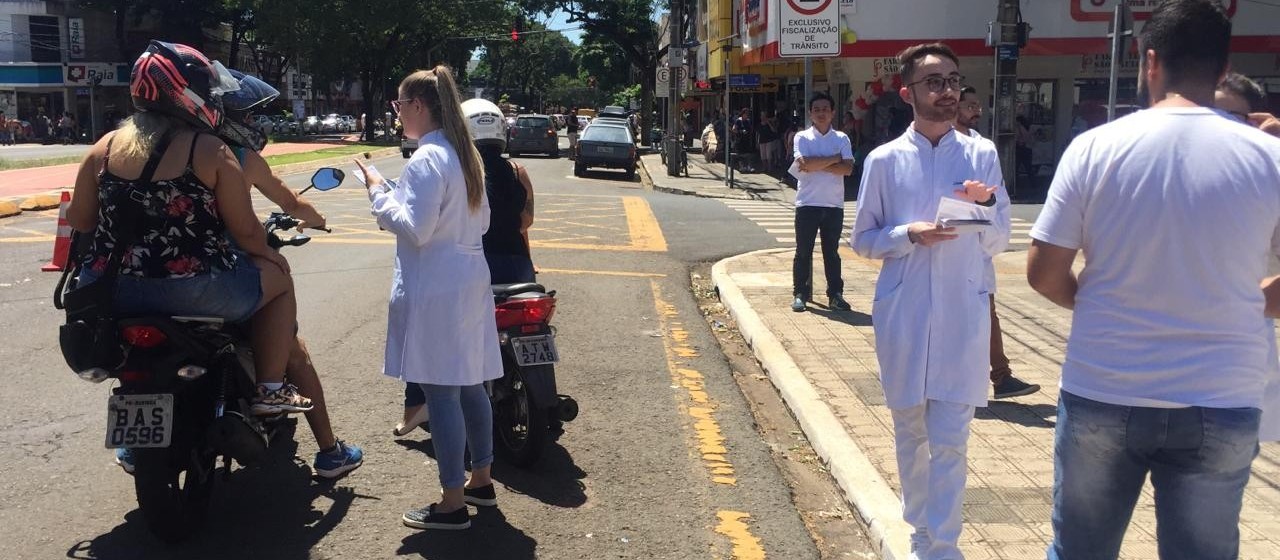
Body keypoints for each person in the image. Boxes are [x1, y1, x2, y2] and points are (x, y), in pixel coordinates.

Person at [1026, 1, 1280, 558]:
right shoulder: (1270, 158)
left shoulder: (1094, 148)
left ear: (1150, 61)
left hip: (1105, 384)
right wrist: (1244, 301)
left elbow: (1044, 274)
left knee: (1080, 551)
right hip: (1222, 394)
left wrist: (1099, 302)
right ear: (1222, 69)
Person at [67, 41, 314, 470]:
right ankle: (272, 387)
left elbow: (81, 221)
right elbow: (248, 232)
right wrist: (270, 258)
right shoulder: (210, 151)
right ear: (189, 95)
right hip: (197, 290)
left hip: (109, 294)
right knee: (281, 278)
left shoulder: (103, 148)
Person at [850, 43, 1010, 559]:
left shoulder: (981, 155)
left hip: (964, 312)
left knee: (951, 436)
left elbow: (1001, 238)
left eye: (953, 80)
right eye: (934, 82)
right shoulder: (884, 161)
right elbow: (863, 240)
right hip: (905, 311)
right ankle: (920, 525)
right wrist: (908, 233)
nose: (947, 91)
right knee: (910, 429)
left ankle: (941, 546)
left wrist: (984, 208)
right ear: (908, 93)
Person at [355, 65, 502, 531]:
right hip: (469, 275)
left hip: (438, 284)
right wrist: (393, 194)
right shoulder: (464, 156)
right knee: (472, 384)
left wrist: (378, 192)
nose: (398, 115)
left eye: (400, 106)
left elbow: (415, 228)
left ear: (418, 106)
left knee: (441, 392)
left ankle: (451, 502)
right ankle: (480, 479)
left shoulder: (425, 159)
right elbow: (473, 222)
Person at [214, 68, 362, 478]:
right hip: (225, 276)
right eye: (245, 116)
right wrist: (316, 220)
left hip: (151, 278)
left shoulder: (160, 150)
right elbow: (290, 202)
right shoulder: (236, 158)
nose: (252, 123)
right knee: (295, 350)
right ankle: (329, 449)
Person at [953, 85, 1041, 401]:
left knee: (985, 315)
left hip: (980, 247)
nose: (975, 110)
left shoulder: (984, 147)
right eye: (969, 105)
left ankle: (1001, 377)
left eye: (978, 104)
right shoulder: (945, 146)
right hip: (947, 247)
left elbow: (997, 199)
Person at [791, 92, 855, 313]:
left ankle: (835, 295)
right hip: (807, 204)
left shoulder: (841, 138)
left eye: (825, 109)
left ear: (833, 112)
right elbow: (803, 164)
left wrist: (817, 164)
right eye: (816, 109)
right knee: (803, 252)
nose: (821, 113)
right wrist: (834, 159)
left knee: (832, 252)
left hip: (834, 205)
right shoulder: (802, 137)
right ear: (810, 113)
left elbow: (847, 169)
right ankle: (800, 293)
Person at [731, 107, 754, 172]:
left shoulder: (748, 121)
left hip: (746, 139)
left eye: (748, 114)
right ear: (742, 114)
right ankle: (742, 166)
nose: (746, 115)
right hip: (740, 139)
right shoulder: (738, 121)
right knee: (740, 154)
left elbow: (750, 129)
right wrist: (740, 131)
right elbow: (734, 129)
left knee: (748, 154)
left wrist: (748, 132)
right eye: (745, 114)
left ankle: (749, 166)